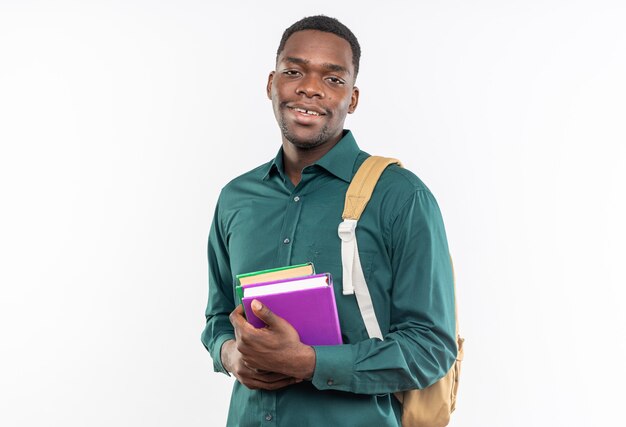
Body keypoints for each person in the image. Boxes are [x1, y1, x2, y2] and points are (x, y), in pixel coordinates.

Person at [201, 15, 457, 426]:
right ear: (271, 83)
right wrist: (229, 354)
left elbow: (431, 348)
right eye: (294, 71)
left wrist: (310, 362)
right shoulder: (236, 198)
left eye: (333, 79)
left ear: (352, 99)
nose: (310, 87)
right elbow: (217, 317)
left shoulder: (401, 197)